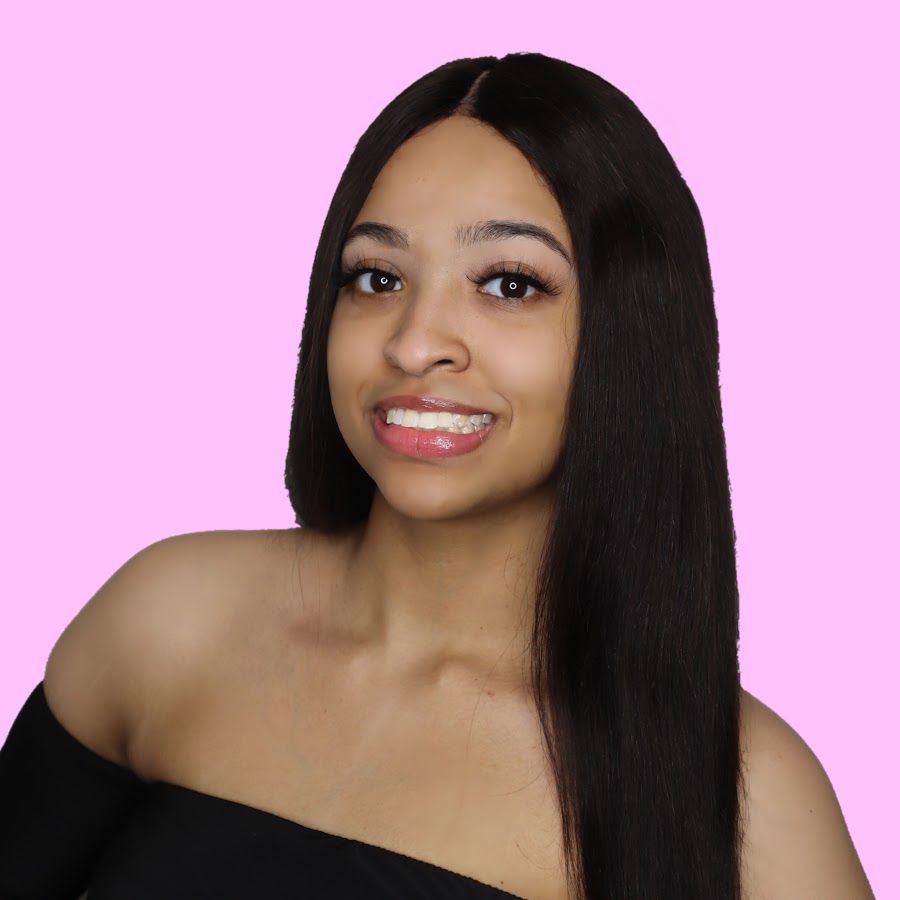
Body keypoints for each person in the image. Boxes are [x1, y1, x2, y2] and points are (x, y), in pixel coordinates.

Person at [0, 52, 874, 900]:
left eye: (509, 285)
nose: (415, 342)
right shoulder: (173, 621)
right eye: (377, 277)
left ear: (634, 333)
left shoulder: (746, 801)